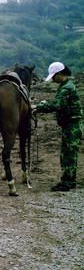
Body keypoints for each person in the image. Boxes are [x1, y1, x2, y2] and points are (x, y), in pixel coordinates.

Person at [35, 62, 82, 191]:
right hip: (70, 124)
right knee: (68, 153)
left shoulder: (67, 88)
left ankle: (67, 182)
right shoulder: (65, 86)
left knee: (68, 154)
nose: (53, 79)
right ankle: (69, 179)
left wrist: (38, 107)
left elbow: (57, 105)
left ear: (60, 74)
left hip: (72, 125)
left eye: (54, 76)